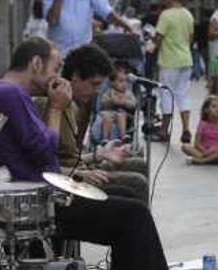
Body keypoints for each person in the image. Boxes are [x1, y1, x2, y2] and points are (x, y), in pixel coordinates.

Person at [0, 37, 204, 270]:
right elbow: (45, 152)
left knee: (125, 196)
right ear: (35, 64)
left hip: (42, 193)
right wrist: (56, 109)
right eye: (55, 67)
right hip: (35, 205)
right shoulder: (9, 95)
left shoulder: (6, 93)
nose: (59, 76)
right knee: (134, 215)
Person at [32, 45, 149, 202]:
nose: (96, 91)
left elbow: (73, 156)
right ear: (75, 77)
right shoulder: (48, 105)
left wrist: (99, 154)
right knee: (136, 183)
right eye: (93, 84)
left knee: (138, 164)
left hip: (80, 171)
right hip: (68, 181)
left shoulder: (76, 105)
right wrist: (79, 174)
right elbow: (42, 165)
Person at [153, 0, 196, 144]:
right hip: (186, 60)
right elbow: (191, 38)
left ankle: (164, 130)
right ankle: (186, 129)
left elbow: (158, 38)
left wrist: (153, 41)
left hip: (169, 61)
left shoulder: (166, 14)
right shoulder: (187, 14)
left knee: (166, 94)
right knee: (182, 94)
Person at [181, 95, 218, 165]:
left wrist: (212, 150)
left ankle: (202, 161)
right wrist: (205, 151)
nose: (217, 109)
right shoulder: (202, 124)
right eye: (214, 107)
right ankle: (212, 160)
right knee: (185, 146)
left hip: (217, 150)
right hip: (203, 151)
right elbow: (197, 143)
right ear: (206, 110)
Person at [99, 63, 138, 142]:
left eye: (126, 81)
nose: (124, 84)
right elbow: (103, 102)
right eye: (121, 81)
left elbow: (134, 103)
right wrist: (111, 101)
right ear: (112, 83)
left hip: (123, 113)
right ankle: (105, 138)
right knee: (107, 118)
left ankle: (123, 136)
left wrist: (124, 102)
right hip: (109, 112)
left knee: (121, 116)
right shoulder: (109, 92)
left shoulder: (128, 93)